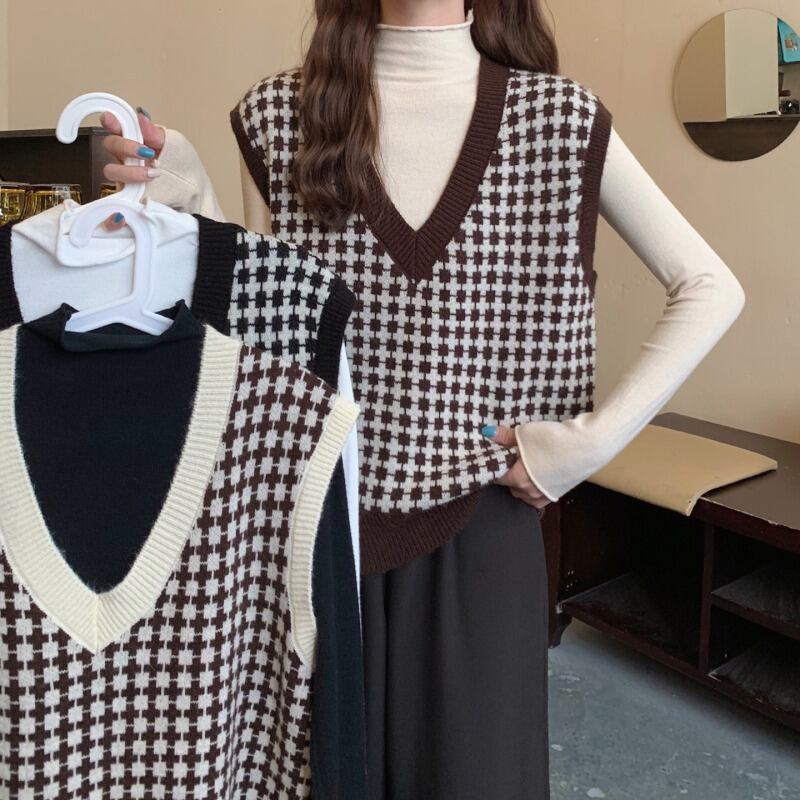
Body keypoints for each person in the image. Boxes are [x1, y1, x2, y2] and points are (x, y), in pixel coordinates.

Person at [99, 1, 746, 797]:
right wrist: (191, 199)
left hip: (485, 523)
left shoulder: (558, 120)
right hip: (319, 528)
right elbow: (268, 335)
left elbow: (710, 287)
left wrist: (581, 447)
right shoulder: (280, 117)